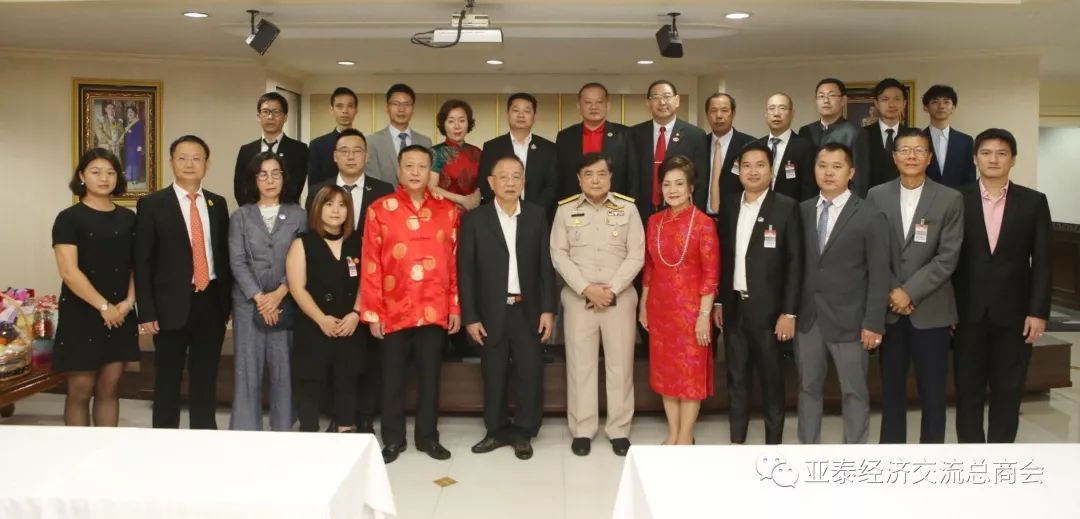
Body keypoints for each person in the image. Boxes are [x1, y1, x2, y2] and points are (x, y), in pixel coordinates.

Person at [360, 145, 461, 463]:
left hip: (434, 308)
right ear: (399, 170)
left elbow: (454, 263)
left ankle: (428, 437)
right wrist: (373, 312)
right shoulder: (379, 209)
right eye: (409, 166)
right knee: (392, 378)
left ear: (431, 172)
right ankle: (393, 439)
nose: (416, 172)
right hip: (393, 309)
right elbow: (371, 263)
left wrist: (454, 307)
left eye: (422, 166)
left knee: (431, 378)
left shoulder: (448, 211)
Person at [953, 128, 1052, 443]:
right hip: (966, 313)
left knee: (1009, 391)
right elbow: (947, 258)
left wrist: (1038, 311)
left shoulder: (1034, 202)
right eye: (986, 153)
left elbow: (1043, 261)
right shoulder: (956, 199)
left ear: (1013, 159)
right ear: (975, 158)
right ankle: (972, 458)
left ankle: (1000, 458)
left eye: (1001, 153)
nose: (993, 159)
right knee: (967, 391)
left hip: (1015, 315)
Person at [867, 127, 964, 444]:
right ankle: (892, 455)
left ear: (929, 157)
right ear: (894, 157)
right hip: (889, 311)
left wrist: (909, 292)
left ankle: (931, 457)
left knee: (933, 392)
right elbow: (872, 252)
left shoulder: (950, 198)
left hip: (932, 311)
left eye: (919, 150)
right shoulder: (876, 195)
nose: (911, 156)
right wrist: (893, 290)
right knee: (891, 391)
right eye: (905, 150)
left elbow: (947, 257)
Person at [459, 156, 556, 460]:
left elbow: (545, 266)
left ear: (524, 182)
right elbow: (466, 272)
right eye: (504, 177)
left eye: (516, 176)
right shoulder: (475, 219)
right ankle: (496, 430)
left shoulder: (536, 215)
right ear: (491, 182)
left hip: (528, 309)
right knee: (494, 373)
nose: (510, 182)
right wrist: (470, 316)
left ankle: (524, 432)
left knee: (529, 373)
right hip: (490, 312)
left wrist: (548, 309)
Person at [550, 152, 644, 457]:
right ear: (579, 179)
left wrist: (611, 290)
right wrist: (587, 289)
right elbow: (558, 254)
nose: (595, 180)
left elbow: (636, 255)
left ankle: (619, 430)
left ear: (610, 177)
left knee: (620, 366)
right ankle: (582, 429)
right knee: (581, 366)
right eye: (588, 175)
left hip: (619, 298)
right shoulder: (565, 210)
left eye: (601, 174)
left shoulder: (628, 209)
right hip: (580, 299)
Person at [135, 135, 232, 429]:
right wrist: (146, 311)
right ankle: (165, 440)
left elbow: (223, 256)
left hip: (210, 301)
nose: (190, 164)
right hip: (169, 306)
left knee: (206, 378)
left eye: (197, 158)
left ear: (207, 164)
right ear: (171, 162)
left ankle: (204, 436)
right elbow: (143, 261)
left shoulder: (217, 203)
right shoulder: (152, 204)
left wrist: (226, 304)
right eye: (183, 158)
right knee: (167, 379)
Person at [795, 142, 889, 444]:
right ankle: (807, 450)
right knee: (807, 388)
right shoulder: (802, 211)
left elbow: (879, 275)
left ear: (851, 172)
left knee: (854, 391)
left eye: (837, 167)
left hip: (851, 321)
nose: (828, 172)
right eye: (822, 166)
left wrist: (873, 323)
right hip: (809, 319)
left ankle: (855, 454)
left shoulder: (870, 215)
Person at [305, 128, 394, 433]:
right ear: (335, 156)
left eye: (357, 151)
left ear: (366, 156)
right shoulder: (319, 190)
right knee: (332, 355)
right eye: (344, 151)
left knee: (369, 355)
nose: (351, 156)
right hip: (329, 287)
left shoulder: (383, 190)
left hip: (371, 282)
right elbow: (312, 238)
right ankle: (338, 414)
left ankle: (364, 414)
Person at [715, 141, 802, 445]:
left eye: (760, 165)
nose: (753, 172)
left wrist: (789, 312)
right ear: (739, 171)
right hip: (734, 307)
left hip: (770, 312)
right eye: (747, 166)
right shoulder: (729, 205)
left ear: (771, 170)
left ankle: (773, 445)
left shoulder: (787, 207)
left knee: (771, 381)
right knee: (736, 378)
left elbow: (795, 262)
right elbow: (724, 257)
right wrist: (719, 301)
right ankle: (737, 441)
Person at [51, 148, 139, 427]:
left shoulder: (129, 218)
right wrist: (103, 306)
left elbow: (138, 267)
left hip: (121, 313)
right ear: (82, 176)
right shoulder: (68, 218)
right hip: (82, 312)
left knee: (109, 388)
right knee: (80, 390)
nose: (104, 178)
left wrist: (128, 303)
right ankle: (78, 452)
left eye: (111, 172)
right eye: (96, 172)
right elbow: (69, 271)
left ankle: (107, 451)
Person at [639, 155, 718, 446]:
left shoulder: (704, 224)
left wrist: (703, 316)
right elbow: (649, 268)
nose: (672, 190)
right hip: (660, 309)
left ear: (691, 187)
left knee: (690, 374)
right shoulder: (654, 221)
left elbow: (711, 275)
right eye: (667, 184)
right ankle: (673, 432)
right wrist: (644, 305)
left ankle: (686, 435)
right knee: (666, 373)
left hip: (692, 312)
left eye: (679, 184)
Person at [227, 151, 308, 431]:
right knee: (247, 370)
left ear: (284, 178)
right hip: (248, 303)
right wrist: (261, 298)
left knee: (283, 368)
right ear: (254, 179)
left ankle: (283, 427)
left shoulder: (299, 215)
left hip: (286, 300)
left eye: (276, 174)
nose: (270, 180)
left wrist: (280, 293)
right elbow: (237, 261)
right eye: (263, 175)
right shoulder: (240, 216)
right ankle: (246, 429)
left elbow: (304, 258)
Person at [286, 185, 365, 433]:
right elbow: (297, 287)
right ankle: (309, 432)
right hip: (314, 325)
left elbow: (368, 281)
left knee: (347, 379)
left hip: (349, 324)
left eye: (342, 205)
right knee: (310, 381)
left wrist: (356, 314)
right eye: (329, 204)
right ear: (318, 208)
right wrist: (321, 319)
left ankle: (345, 428)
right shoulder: (303, 243)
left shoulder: (358, 241)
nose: (335, 210)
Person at [630, 80, 709, 218]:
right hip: (640, 212)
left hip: (680, 212)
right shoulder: (634, 134)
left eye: (667, 96)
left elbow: (700, 180)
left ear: (677, 100)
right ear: (648, 103)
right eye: (655, 97)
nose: (662, 102)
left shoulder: (695, 135)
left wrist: (694, 215)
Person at [478, 92, 558, 218]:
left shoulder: (548, 148)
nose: (521, 115)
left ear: (534, 116)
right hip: (500, 216)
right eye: (516, 110)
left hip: (538, 216)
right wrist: (504, 209)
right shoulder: (492, 147)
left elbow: (552, 186)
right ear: (508, 114)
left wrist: (534, 212)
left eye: (527, 111)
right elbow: (485, 183)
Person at [555, 83, 637, 200]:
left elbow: (633, 176)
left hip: (616, 204)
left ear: (608, 105)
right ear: (578, 106)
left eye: (599, 102)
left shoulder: (625, 134)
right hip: (575, 204)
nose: (594, 107)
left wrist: (631, 204)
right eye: (588, 102)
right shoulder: (565, 137)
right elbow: (559, 177)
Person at [797, 78, 872, 197]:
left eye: (831, 95)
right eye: (821, 96)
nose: (826, 100)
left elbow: (859, 179)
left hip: (841, 200)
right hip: (809, 201)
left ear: (843, 100)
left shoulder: (855, 132)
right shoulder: (806, 131)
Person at [234, 92, 309, 205]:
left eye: (276, 112)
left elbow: (295, 188)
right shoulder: (246, 150)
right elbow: (240, 189)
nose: (270, 117)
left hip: (286, 212)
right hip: (252, 212)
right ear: (258, 117)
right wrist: (256, 210)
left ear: (285, 117)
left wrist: (273, 210)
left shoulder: (299, 149)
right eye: (265, 112)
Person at [366, 83, 434, 185]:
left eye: (406, 104)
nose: (401, 109)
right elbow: (372, 180)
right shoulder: (372, 142)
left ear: (413, 108)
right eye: (396, 104)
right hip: (385, 195)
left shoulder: (425, 142)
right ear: (387, 107)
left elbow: (427, 178)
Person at [756, 93, 817, 201]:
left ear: (792, 113)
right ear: (766, 114)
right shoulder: (756, 146)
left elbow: (809, 189)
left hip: (791, 208)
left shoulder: (806, 147)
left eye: (782, 108)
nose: (776, 114)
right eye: (771, 108)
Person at [702, 93, 755, 216]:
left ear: (733, 113)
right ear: (707, 115)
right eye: (713, 111)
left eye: (724, 110)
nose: (719, 116)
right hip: (702, 218)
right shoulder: (699, 143)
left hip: (738, 216)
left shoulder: (749, 145)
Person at [429, 99, 483, 211]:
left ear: (468, 123)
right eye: (451, 121)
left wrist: (475, 199)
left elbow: (483, 183)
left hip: (473, 211)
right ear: (444, 124)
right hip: (444, 211)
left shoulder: (477, 152)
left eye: (462, 121)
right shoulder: (436, 152)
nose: (457, 126)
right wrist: (462, 200)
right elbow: (431, 187)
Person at [922, 85, 977, 188]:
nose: (941, 106)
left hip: (957, 196)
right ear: (926, 107)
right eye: (935, 102)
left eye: (946, 102)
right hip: (923, 195)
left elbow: (970, 178)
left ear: (953, 108)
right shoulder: (916, 140)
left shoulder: (966, 141)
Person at [308, 87, 361, 189]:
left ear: (356, 110)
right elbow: (314, 187)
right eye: (339, 106)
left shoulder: (364, 144)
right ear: (331, 110)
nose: (345, 111)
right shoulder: (317, 145)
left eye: (350, 106)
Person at [864, 78, 909, 189]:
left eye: (897, 99)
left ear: (904, 103)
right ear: (877, 103)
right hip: (870, 196)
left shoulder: (912, 136)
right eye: (885, 99)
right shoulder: (862, 134)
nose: (891, 104)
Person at [122, 105, 145, 184]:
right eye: (128, 112)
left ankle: (135, 178)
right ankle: (129, 177)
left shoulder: (139, 123)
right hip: (128, 146)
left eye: (131, 112)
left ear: (135, 113)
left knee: (135, 161)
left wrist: (140, 145)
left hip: (136, 146)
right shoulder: (126, 123)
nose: (130, 113)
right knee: (129, 161)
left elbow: (141, 135)